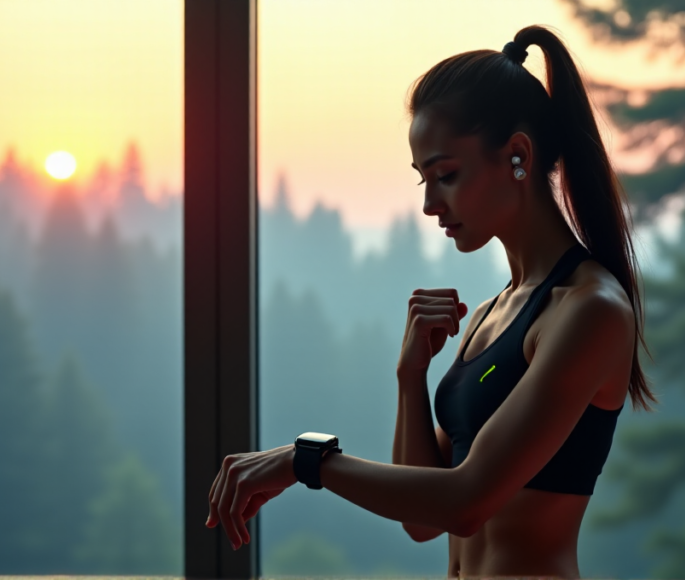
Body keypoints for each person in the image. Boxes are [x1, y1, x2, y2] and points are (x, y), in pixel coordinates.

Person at [206, 24, 655, 579]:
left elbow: (464, 502)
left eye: (445, 175)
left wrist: (306, 461)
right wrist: (410, 374)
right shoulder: (495, 313)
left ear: (518, 155)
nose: (429, 205)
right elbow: (423, 522)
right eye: (423, 179)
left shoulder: (590, 310)